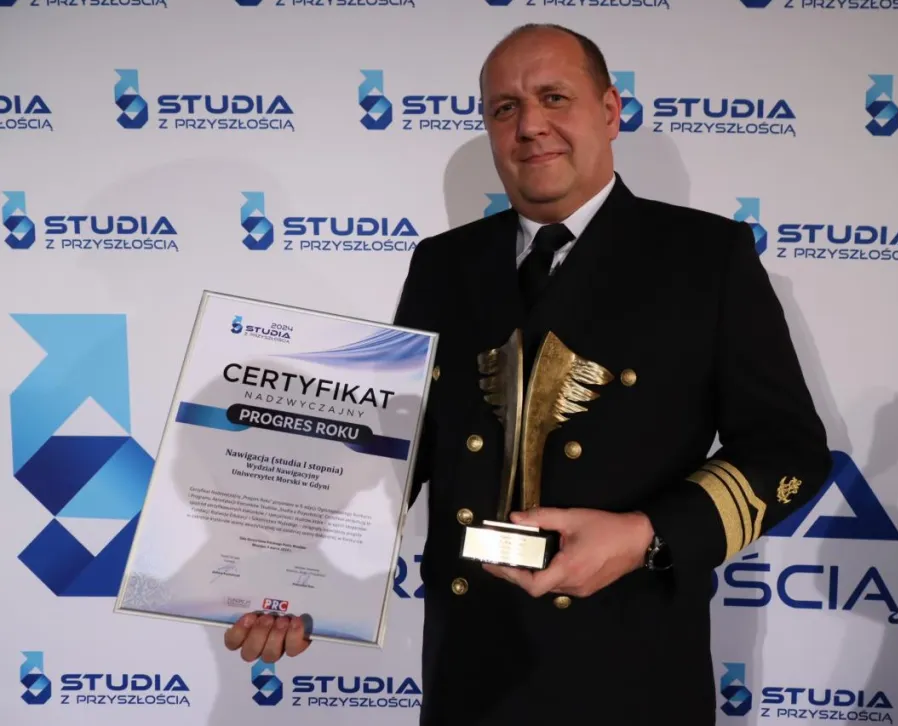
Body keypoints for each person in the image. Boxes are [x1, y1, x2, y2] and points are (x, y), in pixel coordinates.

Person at [224, 22, 833, 726]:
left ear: (610, 111)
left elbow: (788, 450)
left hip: (630, 674)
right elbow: (396, 451)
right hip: (468, 676)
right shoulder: (443, 263)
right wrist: (292, 573)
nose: (530, 125)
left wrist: (646, 535)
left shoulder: (705, 256)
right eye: (505, 107)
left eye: (554, 97)